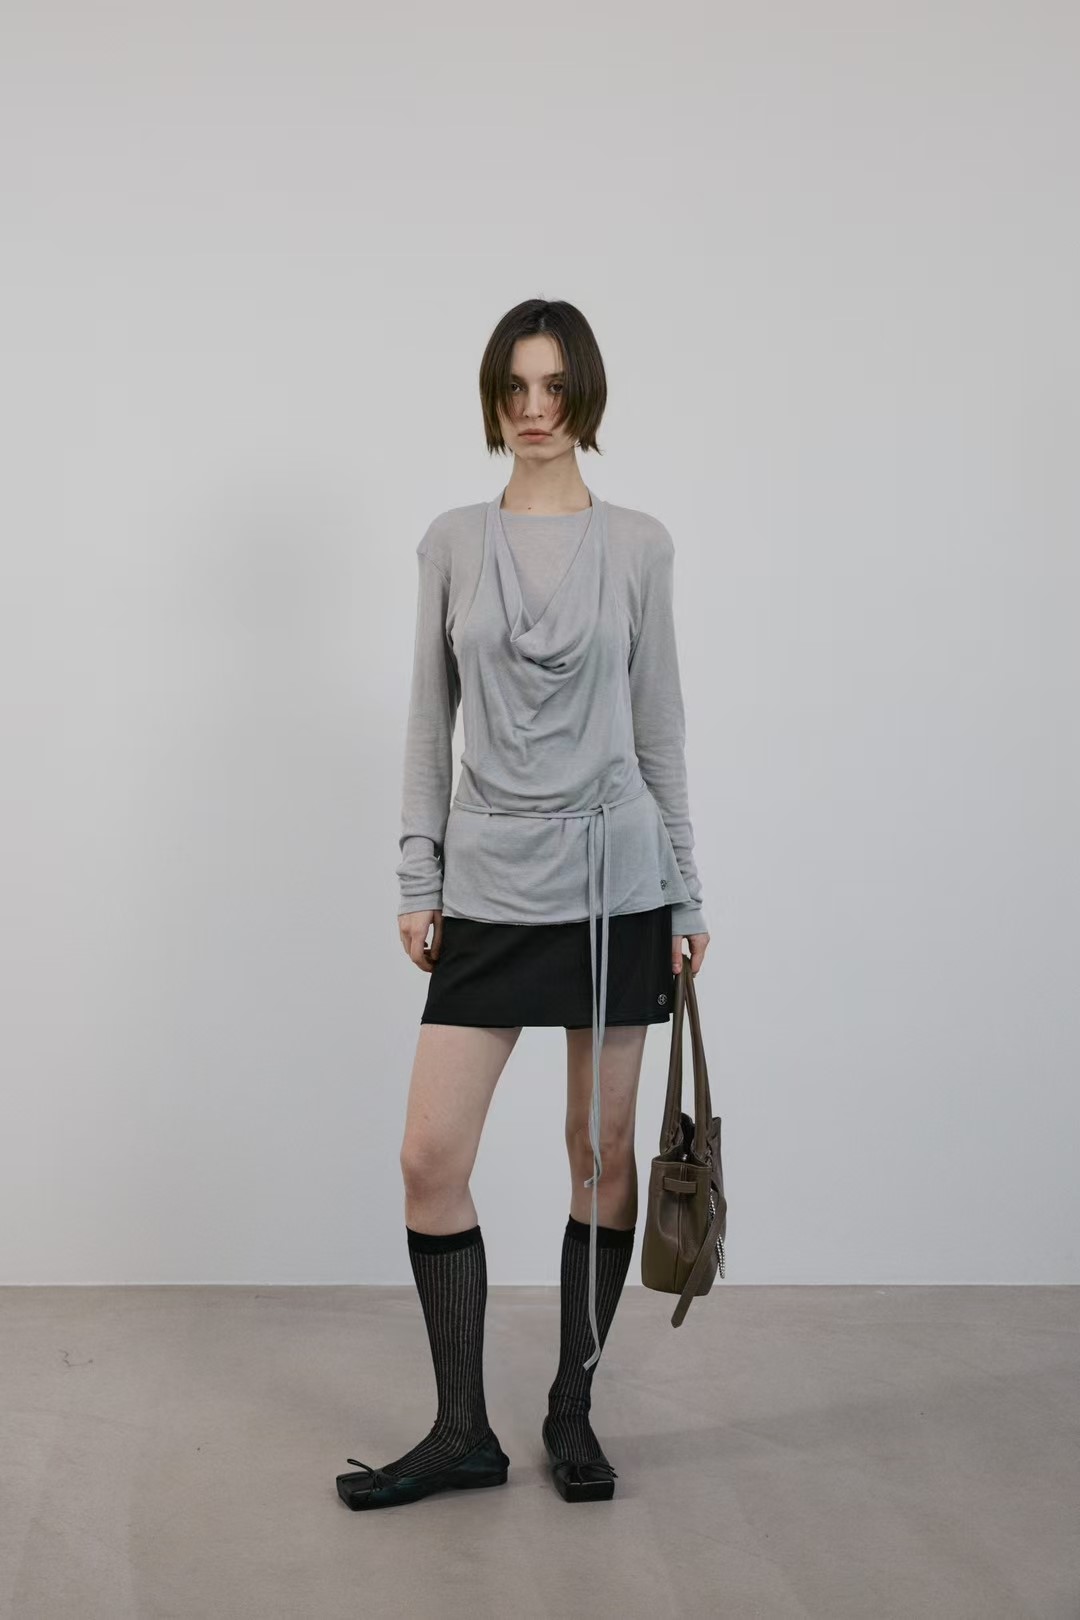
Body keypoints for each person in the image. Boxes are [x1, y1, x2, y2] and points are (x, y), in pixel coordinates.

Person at [337, 298, 710, 1511]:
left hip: (616, 884)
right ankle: (463, 1430)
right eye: (515, 387)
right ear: (493, 399)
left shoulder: (640, 545)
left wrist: (686, 896)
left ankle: (572, 1410)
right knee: (429, 1156)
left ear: (585, 395)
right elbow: (425, 718)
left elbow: (659, 730)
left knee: (599, 1154)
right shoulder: (453, 541)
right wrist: (418, 876)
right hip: (491, 880)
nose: (535, 409)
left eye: (555, 387)